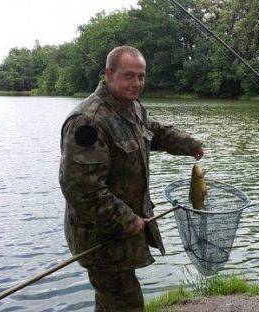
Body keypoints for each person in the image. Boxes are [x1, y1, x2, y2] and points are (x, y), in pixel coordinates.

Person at [59, 45, 203, 311]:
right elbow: (82, 189)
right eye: (129, 76)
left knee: (115, 302)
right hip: (101, 237)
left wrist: (189, 144)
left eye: (141, 76)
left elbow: (154, 132)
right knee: (125, 304)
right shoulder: (87, 122)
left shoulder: (131, 107)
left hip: (122, 231)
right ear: (109, 74)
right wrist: (127, 220)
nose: (137, 83)